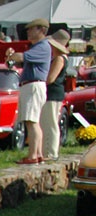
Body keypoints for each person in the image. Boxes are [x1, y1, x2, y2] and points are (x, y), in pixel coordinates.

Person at [6, 18, 52, 164]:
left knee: (31, 121)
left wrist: (12, 54)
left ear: (42, 30)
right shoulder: (35, 47)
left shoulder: (42, 46)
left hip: (33, 86)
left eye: (32, 29)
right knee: (32, 121)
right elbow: (11, 64)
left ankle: (33, 155)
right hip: (32, 85)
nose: (28, 32)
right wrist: (10, 57)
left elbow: (20, 57)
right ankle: (37, 153)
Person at [41, 29, 70, 161]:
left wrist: (41, 81)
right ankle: (48, 151)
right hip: (55, 93)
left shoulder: (59, 59)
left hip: (53, 93)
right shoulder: (60, 58)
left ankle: (50, 152)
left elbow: (51, 78)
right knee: (50, 122)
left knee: (50, 123)